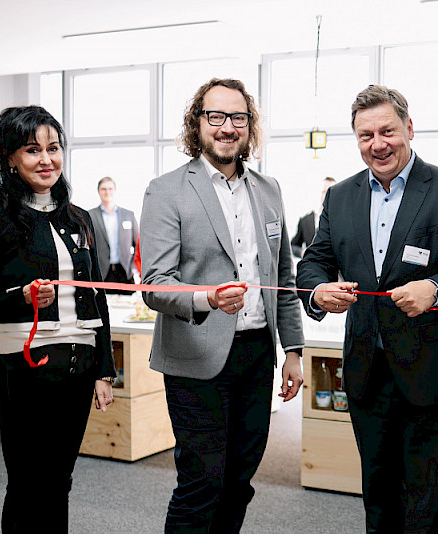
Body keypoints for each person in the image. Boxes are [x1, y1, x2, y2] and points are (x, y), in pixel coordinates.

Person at [296, 85, 438, 533]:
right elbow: (313, 262)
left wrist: (435, 288)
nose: (378, 143)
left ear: (409, 128)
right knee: (379, 497)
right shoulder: (341, 196)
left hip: (435, 373)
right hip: (368, 371)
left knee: (429, 502)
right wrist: (318, 291)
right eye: (366, 135)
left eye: (387, 130)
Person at [140, 78, 305, 533]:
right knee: (201, 482)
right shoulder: (166, 189)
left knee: (240, 481)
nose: (227, 127)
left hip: (256, 355)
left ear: (250, 126)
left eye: (238, 117)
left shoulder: (269, 190)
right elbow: (154, 284)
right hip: (195, 357)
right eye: (215, 116)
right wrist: (205, 298)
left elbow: (282, 280)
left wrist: (293, 351)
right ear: (197, 124)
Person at [0, 106, 115, 533]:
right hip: (27, 369)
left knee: (60, 482)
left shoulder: (79, 218)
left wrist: (105, 371)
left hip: (79, 366)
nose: (46, 159)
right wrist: (23, 297)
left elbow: (97, 299)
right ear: (10, 157)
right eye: (33, 150)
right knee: (28, 484)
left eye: (54, 148)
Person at [88, 176, 139, 294]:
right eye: (104, 189)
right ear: (98, 191)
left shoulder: (128, 215)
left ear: (115, 191)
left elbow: (138, 245)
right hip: (102, 273)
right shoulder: (90, 216)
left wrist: (133, 267)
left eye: (110, 189)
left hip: (125, 272)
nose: (107, 192)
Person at [290, 176, 336, 258]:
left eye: (332, 192)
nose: (328, 195)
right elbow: (293, 246)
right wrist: (302, 252)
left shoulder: (342, 219)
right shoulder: (305, 220)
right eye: (325, 192)